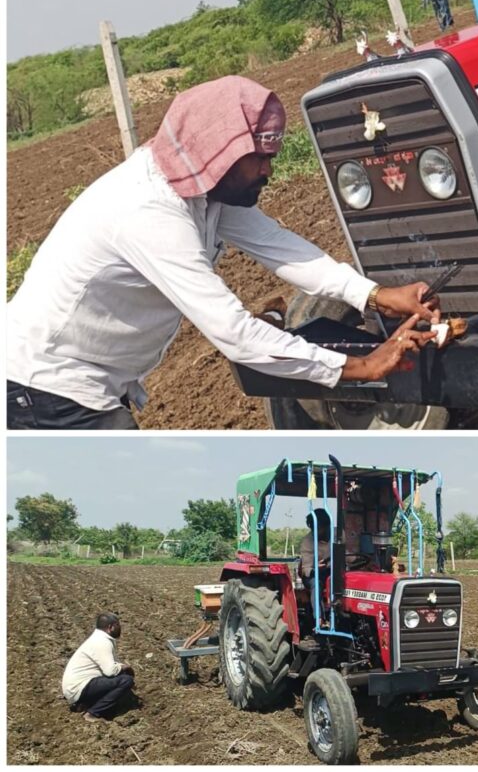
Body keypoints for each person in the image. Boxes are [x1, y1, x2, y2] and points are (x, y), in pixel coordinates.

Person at [7, 75, 440, 430]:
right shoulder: (149, 213)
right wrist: (361, 366)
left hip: (81, 385)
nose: (268, 171)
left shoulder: (204, 190)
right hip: (45, 389)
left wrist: (378, 294)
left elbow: (278, 246)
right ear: (220, 154)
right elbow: (235, 334)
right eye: (260, 158)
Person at [62, 613, 135, 723]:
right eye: (118, 625)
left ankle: (85, 704)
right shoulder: (102, 642)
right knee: (126, 680)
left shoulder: (99, 638)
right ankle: (92, 713)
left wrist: (122, 668)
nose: (120, 628)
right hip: (79, 687)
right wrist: (126, 667)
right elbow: (110, 671)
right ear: (111, 627)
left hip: (76, 687)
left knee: (122, 676)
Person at [299, 509, 332, 619]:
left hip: (334, 571)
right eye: (314, 528)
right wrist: (315, 568)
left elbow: (349, 554)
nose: (316, 531)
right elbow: (306, 568)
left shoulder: (339, 535)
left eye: (319, 528)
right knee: (316, 583)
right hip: (314, 574)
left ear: (328, 526)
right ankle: (319, 619)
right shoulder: (307, 542)